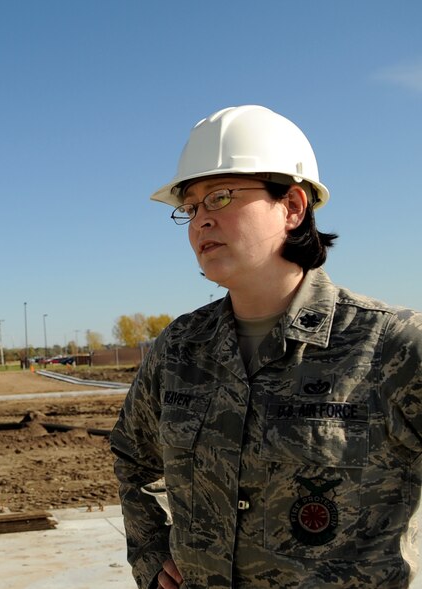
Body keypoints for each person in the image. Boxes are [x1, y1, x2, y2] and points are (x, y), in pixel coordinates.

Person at [110, 104, 422, 588]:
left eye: (219, 198)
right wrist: (151, 551)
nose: (199, 222)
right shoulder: (179, 349)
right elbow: (132, 457)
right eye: (190, 208)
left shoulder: (392, 346)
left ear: (293, 207)